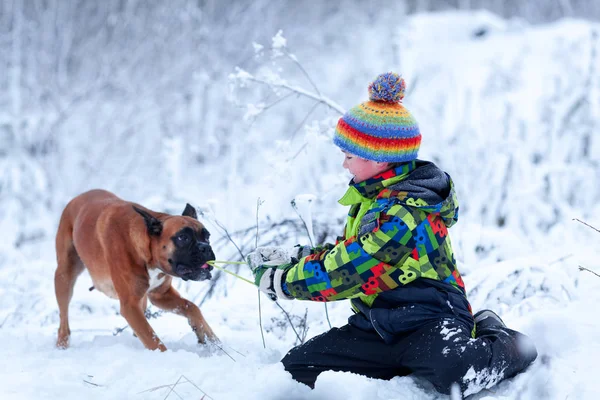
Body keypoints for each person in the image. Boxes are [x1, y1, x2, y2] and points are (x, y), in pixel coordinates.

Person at [246, 72, 537, 396]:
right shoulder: (372, 199)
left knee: (456, 373)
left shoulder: (404, 211)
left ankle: (503, 340)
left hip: (429, 320)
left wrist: (286, 282)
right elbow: (351, 250)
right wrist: (298, 258)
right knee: (297, 371)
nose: (344, 165)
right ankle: (394, 361)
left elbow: (353, 269)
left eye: (349, 156)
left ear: (379, 159)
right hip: (379, 325)